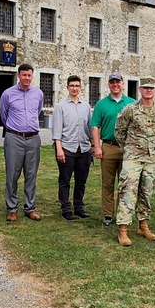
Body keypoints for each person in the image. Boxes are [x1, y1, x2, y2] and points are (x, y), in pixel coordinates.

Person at [113, 76, 155, 246]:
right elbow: (119, 131)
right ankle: (123, 229)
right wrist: (130, 148)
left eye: (151, 88)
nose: (148, 90)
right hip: (133, 158)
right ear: (140, 90)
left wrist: (152, 147)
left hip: (151, 159)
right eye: (145, 88)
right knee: (128, 191)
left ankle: (143, 225)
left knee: (147, 192)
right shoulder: (130, 109)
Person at [0, 63, 44, 222]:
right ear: (19, 75)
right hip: (14, 137)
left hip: (33, 138)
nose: (26, 78)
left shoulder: (38, 94)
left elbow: (38, 111)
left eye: (29, 75)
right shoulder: (7, 94)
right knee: (12, 174)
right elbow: (3, 115)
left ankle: (29, 208)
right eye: (23, 75)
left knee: (31, 174)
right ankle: (12, 208)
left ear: (32, 76)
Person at [90, 71, 135, 226]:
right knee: (107, 183)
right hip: (108, 147)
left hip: (127, 148)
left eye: (118, 82)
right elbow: (95, 126)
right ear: (109, 85)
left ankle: (123, 214)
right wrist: (97, 147)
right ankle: (108, 214)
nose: (115, 85)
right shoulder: (102, 104)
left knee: (126, 183)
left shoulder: (131, 103)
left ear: (122, 84)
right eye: (112, 82)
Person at [52, 75, 93, 221]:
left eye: (77, 86)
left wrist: (93, 146)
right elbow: (57, 129)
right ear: (67, 87)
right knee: (65, 180)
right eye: (72, 86)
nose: (75, 88)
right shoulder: (60, 106)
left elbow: (90, 127)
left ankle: (79, 206)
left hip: (83, 149)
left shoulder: (86, 106)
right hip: (67, 148)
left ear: (80, 88)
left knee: (81, 180)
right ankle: (66, 208)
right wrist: (59, 149)